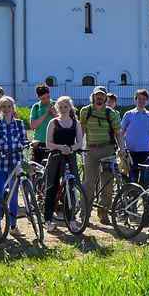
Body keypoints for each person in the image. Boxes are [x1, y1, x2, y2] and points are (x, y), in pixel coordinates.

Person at [79, 86, 125, 223]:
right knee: (89, 183)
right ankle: (84, 214)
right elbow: (81, 130)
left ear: (105, 97)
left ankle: (103, 213)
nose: (99, 97)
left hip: (107, 150)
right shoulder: (85, 111)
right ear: (93, 96)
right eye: (97, 95)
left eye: (102, 95)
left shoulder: (111, 113)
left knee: (107, 183)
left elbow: (118, 133)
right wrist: (78, 146)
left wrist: (122, 148)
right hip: (90, 150)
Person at [41, 95, 83, 230]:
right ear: (57, 108)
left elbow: (80, 143)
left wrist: (71, 148)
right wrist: (60, 147)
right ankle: (48, 219)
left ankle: (71, 219)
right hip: (55, 157)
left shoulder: (76, 123)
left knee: (72, 187)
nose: (63, 109)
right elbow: (48, 143)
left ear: (70, 107)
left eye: (66, 106)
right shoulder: (53, 122)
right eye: (61, 107)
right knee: (51, 187)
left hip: (70, 157)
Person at [0, 96, 28, 231]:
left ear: (13, 108)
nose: (6, 109)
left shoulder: (19, 124)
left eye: (9, 106)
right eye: (3, 106)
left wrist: (24, 145)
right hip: (0, 164)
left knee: (13, 196)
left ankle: (13, 225)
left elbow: (24, 140)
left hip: (15, 163)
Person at [121, 89, 149, 182]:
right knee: (132, 179)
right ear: (135, 100)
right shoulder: (128, 114)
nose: (141, 101)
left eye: (144, 99)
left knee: (146, 179)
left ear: (147, 101)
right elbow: (121, 132)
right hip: (131, 152)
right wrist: (121, 147)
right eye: (139, 99)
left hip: (147, 152)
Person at [28, 84, 55, 164]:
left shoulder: (56, 105)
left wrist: (54, 113)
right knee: (38, 167)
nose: (46, 100)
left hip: (53, 142)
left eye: (48, 97)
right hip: (39, 143)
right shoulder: (36, 107)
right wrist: (46, 113)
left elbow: (61, 122)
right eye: (43, 98)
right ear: (38, 97)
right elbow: (33, 126)